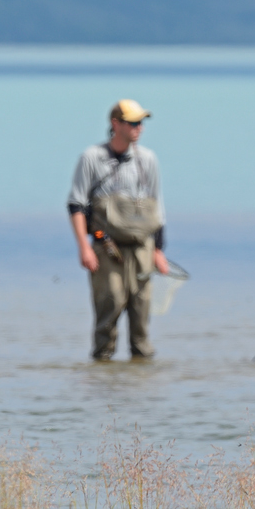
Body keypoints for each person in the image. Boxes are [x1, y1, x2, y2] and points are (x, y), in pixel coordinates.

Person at [67, 99, 169, 361]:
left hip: (143, 246)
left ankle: (140, 375)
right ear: (115, 124)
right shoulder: (92, 157)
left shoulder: (148, 159)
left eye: (141, 123)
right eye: (133, 122)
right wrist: (84, 247)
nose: (139, 128)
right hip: (106, 244)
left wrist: (159, 250)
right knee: (109, 303)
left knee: (141, 309)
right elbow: (76, 205)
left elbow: (157, 207)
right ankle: (102, 368)